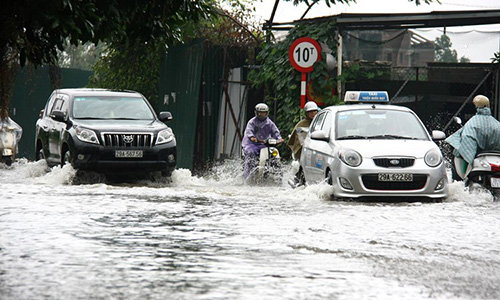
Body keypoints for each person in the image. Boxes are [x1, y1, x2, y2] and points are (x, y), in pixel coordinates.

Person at [445, 95, 500, 179]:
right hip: (494, 155)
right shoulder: (496, 124)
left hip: (478, 156)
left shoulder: (473, 123)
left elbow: (467, 139)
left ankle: (462, 179)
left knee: (458, 153)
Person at [242, 103, 284, 179]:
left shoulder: (270, 123)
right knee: (251, 153)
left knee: (273, 153)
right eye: (260, 112)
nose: (262, 114)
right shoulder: (252, 122)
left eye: (264, 112)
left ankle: (277, 173)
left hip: (264, 144)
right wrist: (252, 137)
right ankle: (248, 175)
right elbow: (249, 131)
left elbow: (275, 132)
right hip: (251, 144)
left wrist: (279, 139)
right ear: (256, 113)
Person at [286, 101, 319, 187]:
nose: (312, 114)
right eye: (310, 112)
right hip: (304, 149)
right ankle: (299, 179)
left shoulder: (320, 122)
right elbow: (299, 140)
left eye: (314, 111)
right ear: (306, 113)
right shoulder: (301, 124)